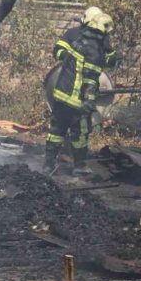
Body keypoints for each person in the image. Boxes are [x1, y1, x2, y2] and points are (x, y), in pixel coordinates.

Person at [45, 11, 116, 175]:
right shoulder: (94, 49)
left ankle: (48, 165)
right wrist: (89, 101)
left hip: (61, 94)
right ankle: (79, 166)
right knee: (81, 132)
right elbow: (90, 80)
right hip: (77, 99)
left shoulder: (79, 41)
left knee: (56, 130)